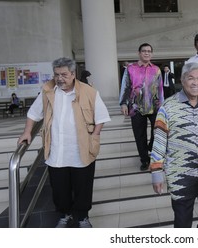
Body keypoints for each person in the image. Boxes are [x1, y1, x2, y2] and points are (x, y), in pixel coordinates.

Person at [17, 57, 110, 228]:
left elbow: (101, 117)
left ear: (73, 74)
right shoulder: (48, 91)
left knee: (83, 187)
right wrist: (27, 131)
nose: (60, 78)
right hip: (56, 151)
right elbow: (33, 113)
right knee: (59, 188)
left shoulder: (89, 92)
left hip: (82, 149)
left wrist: (94, 137)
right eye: (57, 74)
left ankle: (82, 217)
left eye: (64, 74)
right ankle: (65, 214)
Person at [150, 62, 198, 228]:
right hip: (179, 173)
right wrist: (156, 171)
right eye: (191, 78)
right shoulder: (167, 106)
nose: (196, 82)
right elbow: (159, 141)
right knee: (182, 223)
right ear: (182, 80)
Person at [119, 43, 164, 171]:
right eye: (144, 51)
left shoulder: (156, 69)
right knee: (140, 135)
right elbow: (125, 86)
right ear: (139, 53)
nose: (146, 53)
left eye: (149, 51)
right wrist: (123, 103)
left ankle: (151, 146)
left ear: (152, 54)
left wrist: (162, 104)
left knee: (158, 130)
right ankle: (144, 160)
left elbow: (160, 88)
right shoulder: (130, 68)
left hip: (154, 105)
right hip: (136, 107)